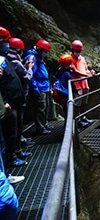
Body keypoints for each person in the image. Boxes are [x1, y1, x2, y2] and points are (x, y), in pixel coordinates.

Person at [0, 27, 30, 168]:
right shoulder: (6, 60)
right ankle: (11, 159)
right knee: (10, 133)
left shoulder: (5, 59)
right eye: (4, 41)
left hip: (15, 100)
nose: (7, 44)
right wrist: (5, 101)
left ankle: (17, 152)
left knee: (17, 129)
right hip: (9, 103)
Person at [7, 37, 35, 148]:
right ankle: (17, 148)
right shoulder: (15, 62)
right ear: (18, 50)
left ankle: (18, 145)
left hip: (14, 95)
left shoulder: (8, 59)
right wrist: (29, 68)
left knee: (16, 123)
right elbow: (27, 78)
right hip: (19, 95)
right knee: (17, 122)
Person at [23, 39, 52, 135]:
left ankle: (45, 123)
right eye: (45, 51)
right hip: (39, 87)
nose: (46, 53)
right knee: (40, 108)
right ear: (40, 49)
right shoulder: (32, 58)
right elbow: (32, 76)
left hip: (45, 86)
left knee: (46, 106)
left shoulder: (39, 58)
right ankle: (40, 127)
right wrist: (35, 89)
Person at [70, 40, 95, 128]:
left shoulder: (82, 58)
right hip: (76, 84)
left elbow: (85, 69)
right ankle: (78, 120)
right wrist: (86, 75)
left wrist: (90, 72)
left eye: (80, 51)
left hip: (84, 83)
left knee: (84, 102)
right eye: (77, 51)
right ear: (72, 50)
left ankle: (83, 117)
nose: (78, 52)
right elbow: (75, 71)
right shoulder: (69, 59)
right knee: (77, 103)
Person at [52, 54, 77, 119]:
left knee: (66, 111)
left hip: (61, 93)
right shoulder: (67, 74)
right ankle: (71, 127)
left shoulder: (59, 71)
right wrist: (76, 92)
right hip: (66, 94)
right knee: (69, 111)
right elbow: (72, 85)